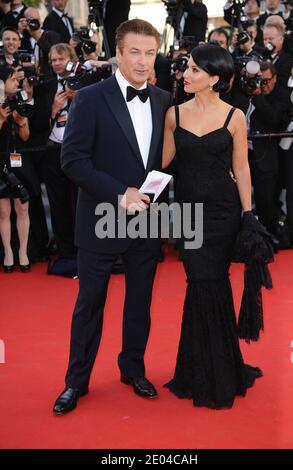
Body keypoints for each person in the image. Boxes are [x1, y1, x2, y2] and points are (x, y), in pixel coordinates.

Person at [53, 19, 172, 415]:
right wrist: (119, 193)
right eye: (134, 52)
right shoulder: (89, 98)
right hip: (100, 219)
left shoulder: (163, 100)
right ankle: (76, 381)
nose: (142, 61)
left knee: (140, 303)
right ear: (118, 54)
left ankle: (134, 370)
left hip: (147, 223)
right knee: (90, 304)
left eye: (150, 53)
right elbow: (72, 160)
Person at [162, 44, 265, 409]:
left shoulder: (235, 116)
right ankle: (198, 369)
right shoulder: (173, 114)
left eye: (193, 70)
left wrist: (248, 214)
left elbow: (241, 168)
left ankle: (220, 369)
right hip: (188, 212)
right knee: (198, 282)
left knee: (216, 282)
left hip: (223, 213)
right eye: (186, 68)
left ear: (214, 79)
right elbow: (162, 168)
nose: (185, 75)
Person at [0, 67, 39, 272]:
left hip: (20, 162)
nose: (16, 84)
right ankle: (8, 252)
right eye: (12, 80)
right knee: (3, 211)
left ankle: (23, 251)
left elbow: (25, 136)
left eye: (17, 80)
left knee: (22, 208)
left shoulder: (20, 102)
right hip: (1, 164)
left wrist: (21, 120)